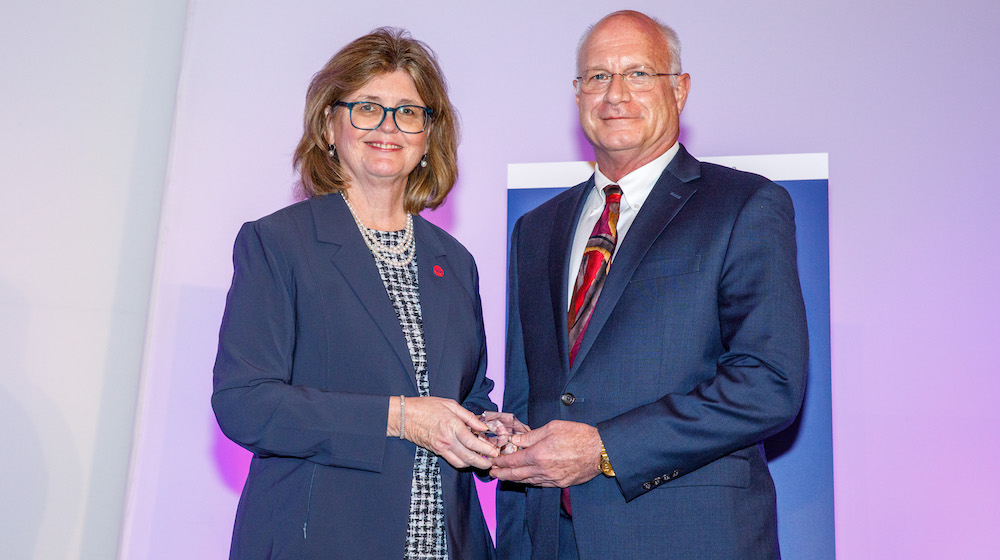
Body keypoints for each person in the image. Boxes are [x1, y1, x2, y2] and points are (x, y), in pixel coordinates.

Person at [492, 10, 809, 560]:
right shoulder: (535, 229)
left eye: (639, 74)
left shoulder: (744, 206)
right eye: (597, 76)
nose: (615, 94)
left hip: (688, 538)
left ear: (680, 89)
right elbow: (532, 398)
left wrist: (604, 448)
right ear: (576, 94)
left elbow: (769, 382)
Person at [212, 28, 501, 560]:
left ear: (428, 133)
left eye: (408, 112)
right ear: (329, 123)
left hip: (444, 545)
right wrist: (397, 416)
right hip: (322, 541)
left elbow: (464, 391)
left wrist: (488, 429)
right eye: (367, 107)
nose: (388, 127)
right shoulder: (278, 243)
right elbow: (244, 404)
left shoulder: (455, 261)